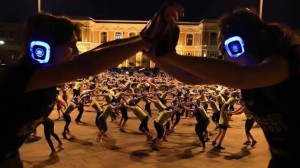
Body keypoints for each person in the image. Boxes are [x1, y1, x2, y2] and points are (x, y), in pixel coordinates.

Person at [0, 2, 183, 166]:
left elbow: (97, 52)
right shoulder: (21, 75)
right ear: (42, 48)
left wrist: (144, 36)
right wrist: (147, 39)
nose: (77, 51)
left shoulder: (40, 75)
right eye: (71, 45)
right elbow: (85, 65)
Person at [146, 5, 300, 167]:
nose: (221, 53)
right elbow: (189, 77)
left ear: (237, 45)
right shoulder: (246, 72)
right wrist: (153, 53)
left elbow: (243, 79)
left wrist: (169, 55)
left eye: (223, 44)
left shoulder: (281, 63)